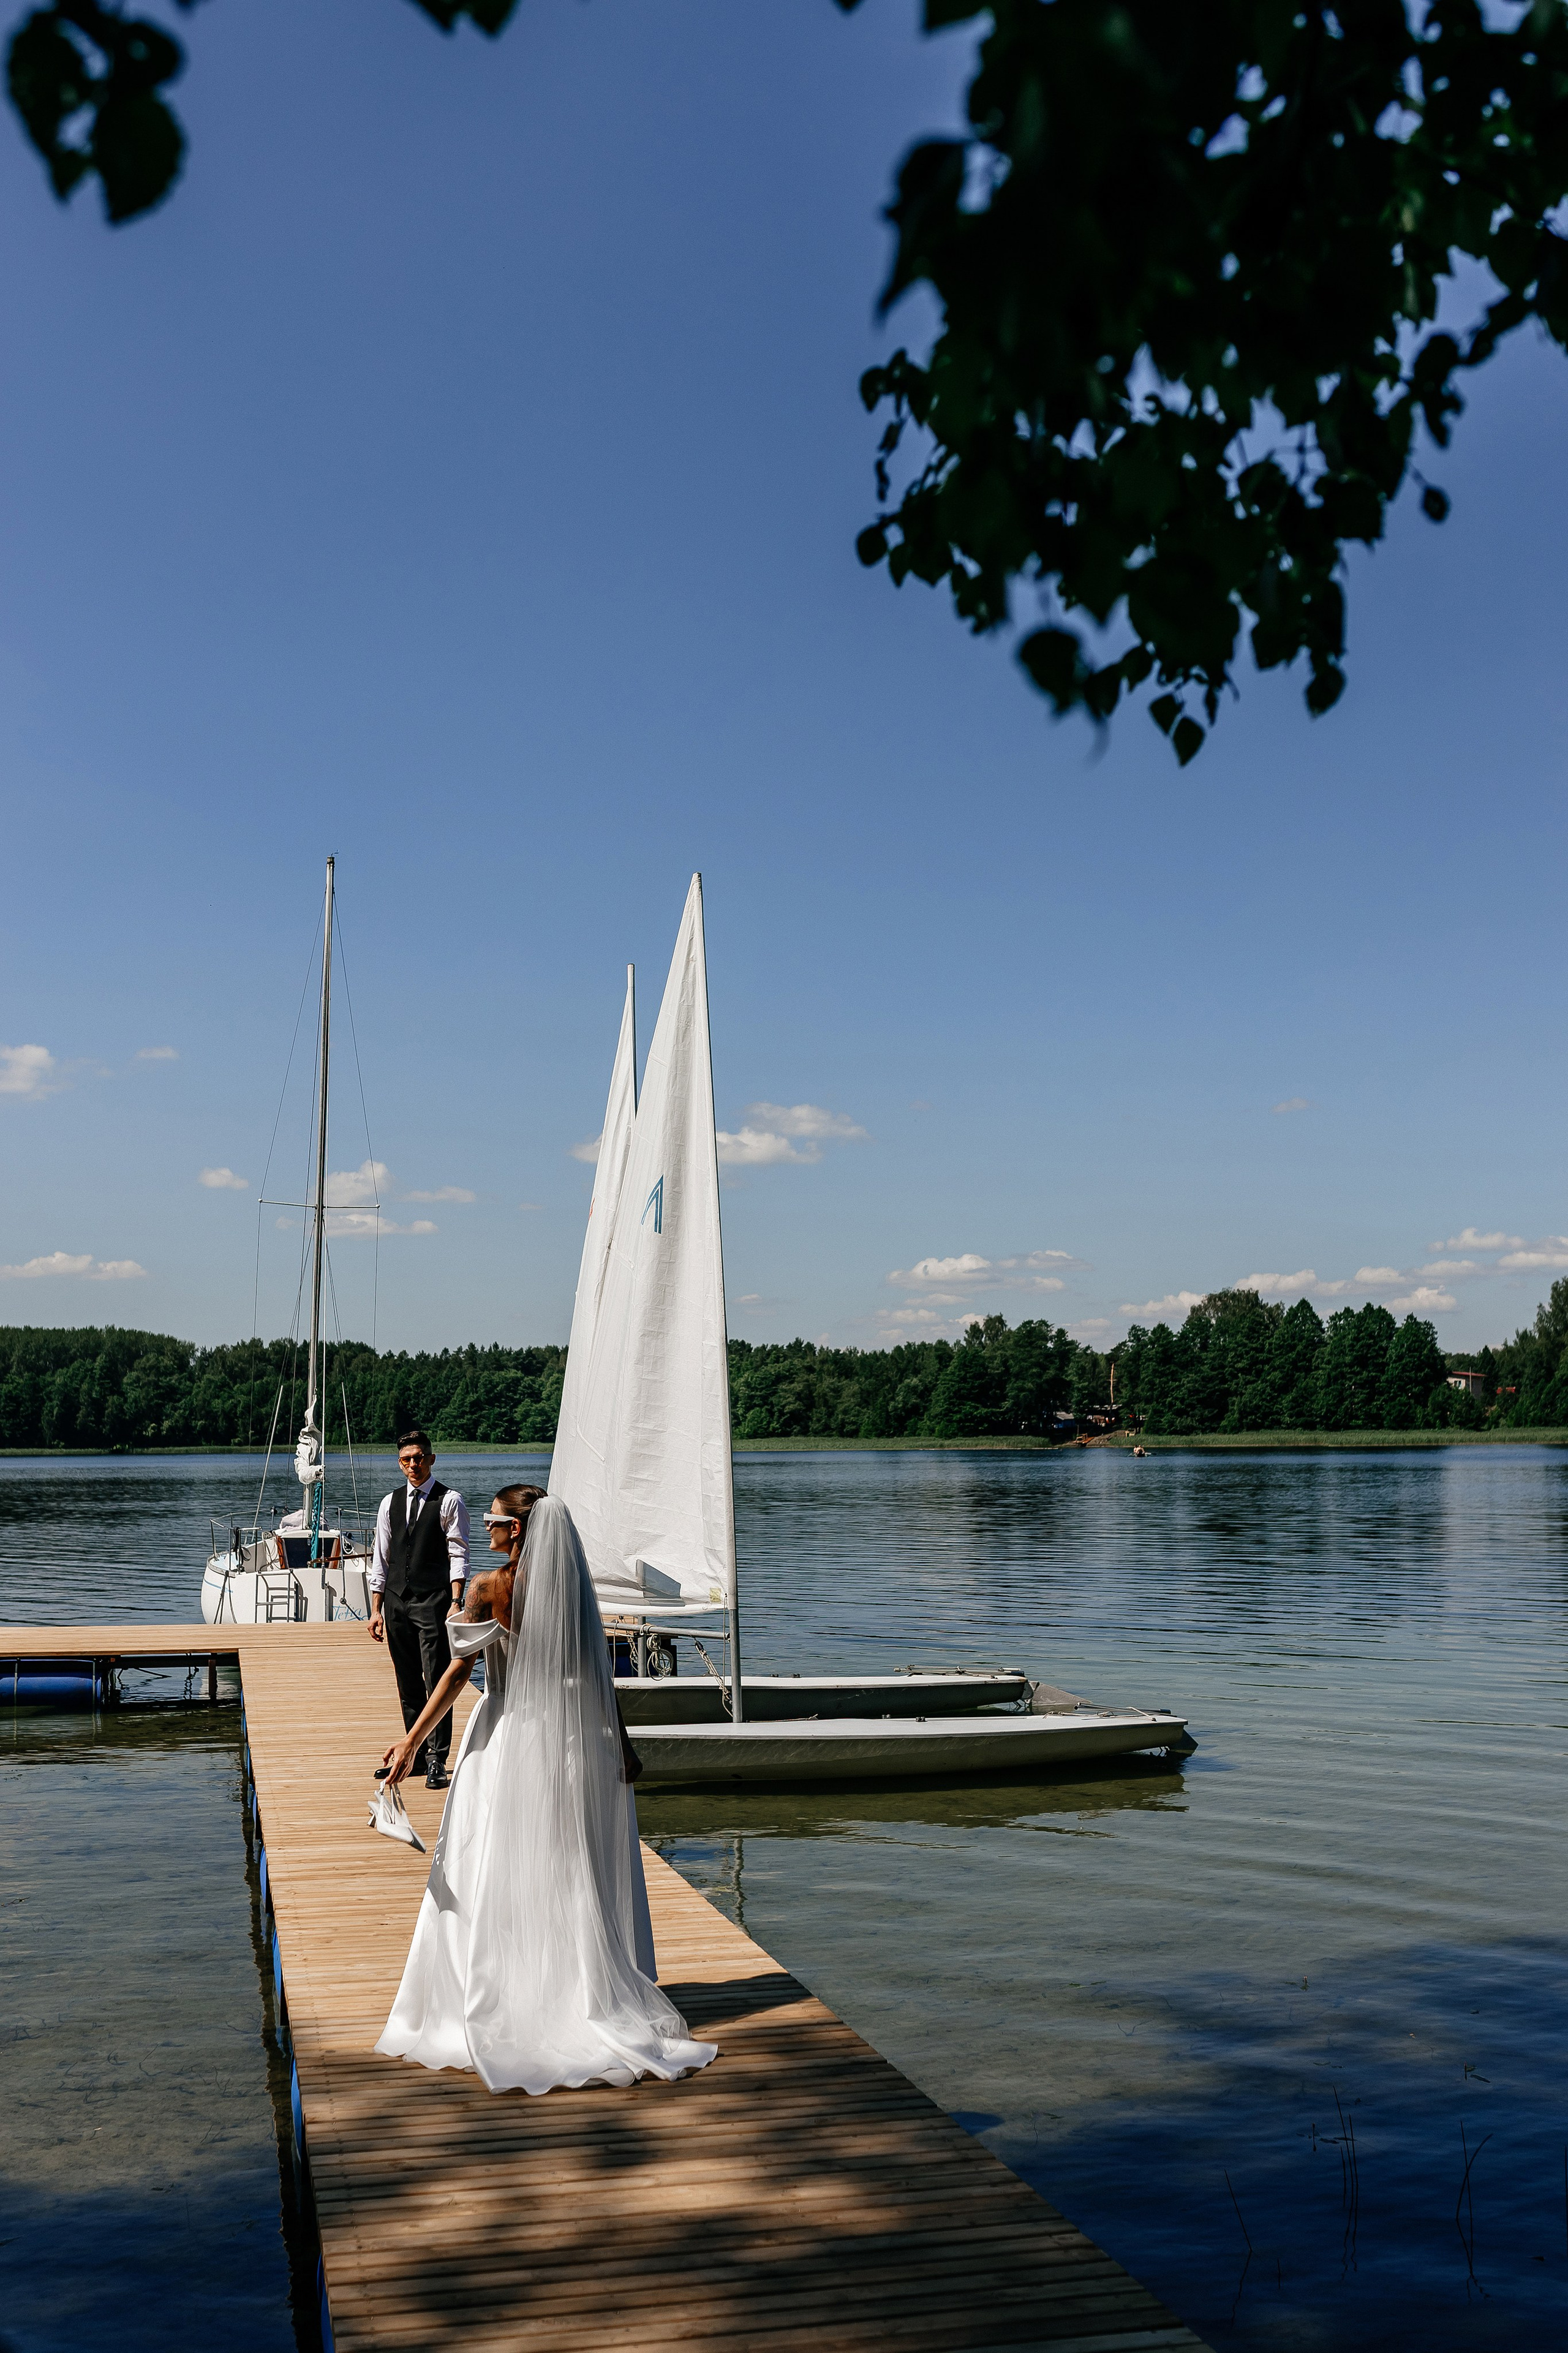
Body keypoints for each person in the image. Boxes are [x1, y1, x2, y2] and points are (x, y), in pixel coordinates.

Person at [374, 1488, 717, 2096]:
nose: (485, 1527)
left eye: (495, 1521)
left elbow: (459, 1674)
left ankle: (500, 1994)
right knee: (563, 1864)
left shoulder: (487, 1588)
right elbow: (596, 1675)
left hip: (506, 1735)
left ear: (519, 1529)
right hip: (566, 1742)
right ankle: (570, 1988)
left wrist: (411, 1740)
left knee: (490, 1863)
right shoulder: (574, 1591)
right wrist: (624, 1745)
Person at [368, 1429, 470, 1789]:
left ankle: (437, 1760)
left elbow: (458, 1554)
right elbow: (381, 1558)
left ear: (431, 1458)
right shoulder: (389, 1503)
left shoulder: (449, 1501)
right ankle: (412, 1757)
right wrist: (376, 1608)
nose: (413, 1464)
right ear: (400, 1463)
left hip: (434, 1601)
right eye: (406, 1459)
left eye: (419, 1457)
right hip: (396, 1601)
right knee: (408, 1681)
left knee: (436, 1677)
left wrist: (456, 1602)